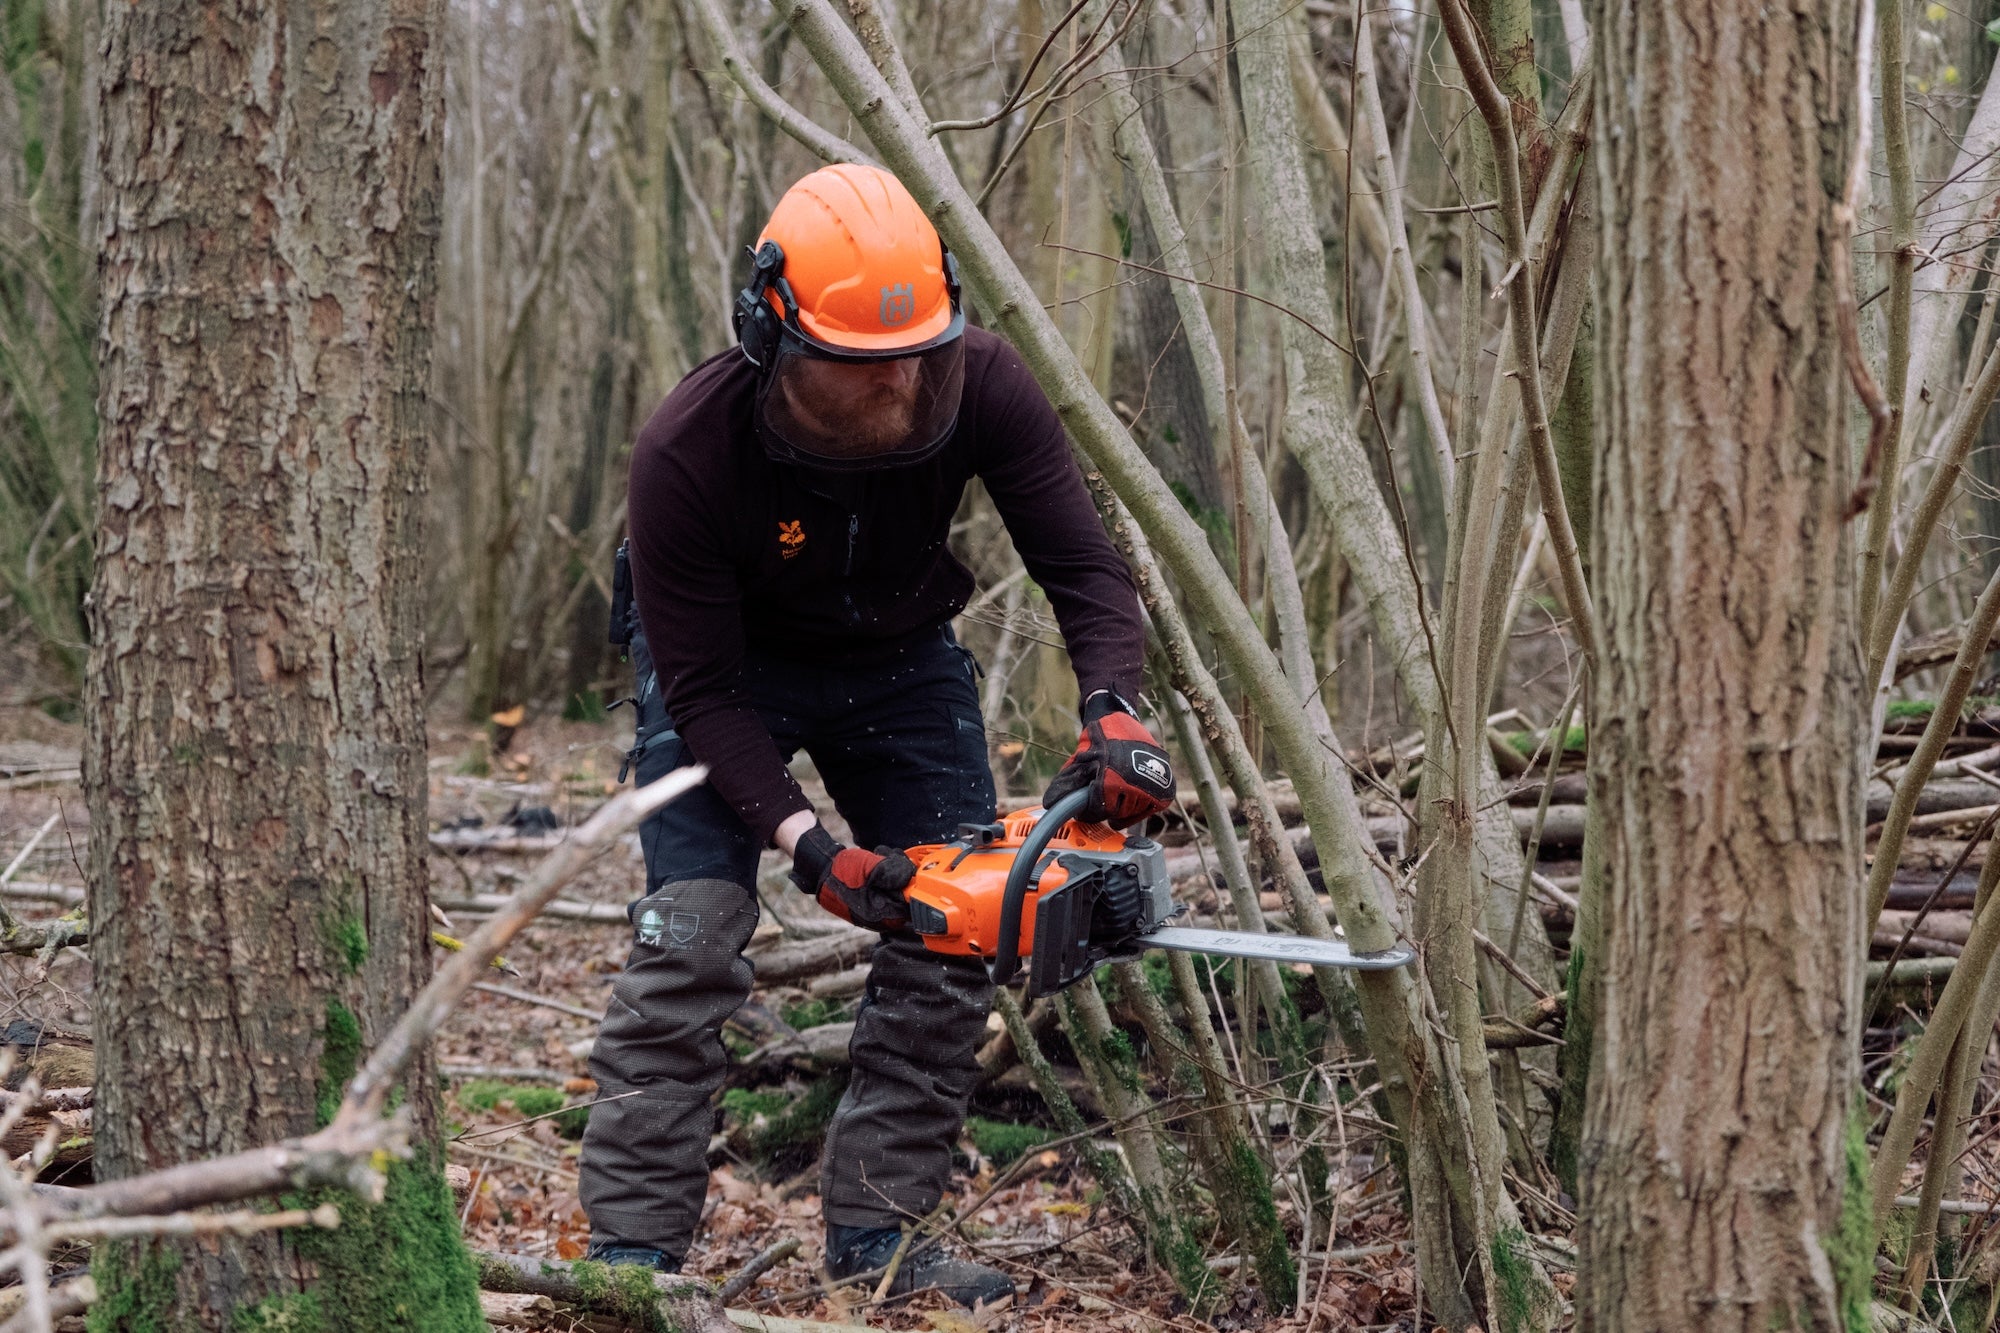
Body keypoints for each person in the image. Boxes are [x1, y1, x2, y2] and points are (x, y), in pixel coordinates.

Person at [580, 163, 1176, 1307]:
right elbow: (700, 691)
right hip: (726, 670)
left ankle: (878, 1237)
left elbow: (1083, 567)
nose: (898, 386)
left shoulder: (983, 382)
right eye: (857, 366)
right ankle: (632, 1255)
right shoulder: (687, 450)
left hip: (898, 658)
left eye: (914, 355)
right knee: (690, 938)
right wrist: (813, 848)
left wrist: (1113, 707)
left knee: (957, 918)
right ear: (773, 335)